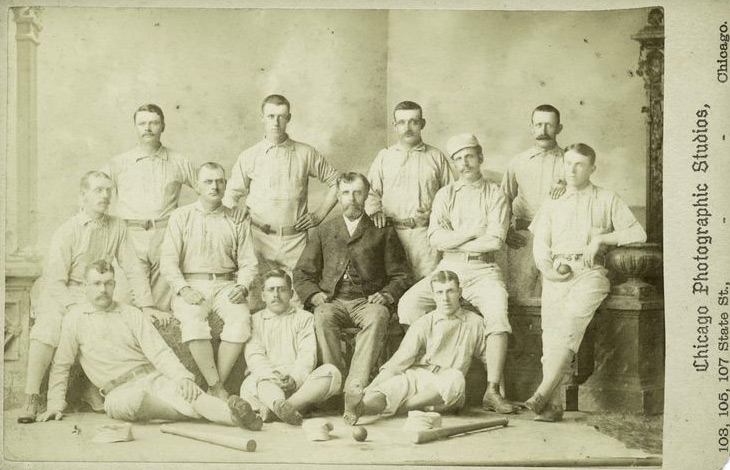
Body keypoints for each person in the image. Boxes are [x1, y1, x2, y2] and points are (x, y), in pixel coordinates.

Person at [36, 260, 263, 432]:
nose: (102, 290)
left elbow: (159, 351)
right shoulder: (75, 318)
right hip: (117, 393)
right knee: (135, 403)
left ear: (114, 284)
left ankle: (238, 418)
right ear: (86, 286)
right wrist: (55, 404)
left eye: (107, 283)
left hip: (152, 378)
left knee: (191, 392)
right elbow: (61, 365)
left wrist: (182, 378)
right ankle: (197, 413)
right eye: (96, 284)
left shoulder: (130, 313)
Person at [18, 171, 159, 424]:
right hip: (62, 291)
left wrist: (147, 305)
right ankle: (31, 396)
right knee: (49, 329)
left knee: (111, 321)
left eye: (108, 190)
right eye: (98, 190)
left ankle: (90, 388)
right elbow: (54, 279)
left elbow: (133, 267)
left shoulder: (118, 226)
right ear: (83, 195)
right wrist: (73, 306)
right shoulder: (67, 230)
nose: (105, 195)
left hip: (95, 291)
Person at [525, 143, 647, 422]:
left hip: (591, 273)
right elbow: (540, 245)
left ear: (592, 168)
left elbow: (637, 232)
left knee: (570, 326)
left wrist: (602, 239)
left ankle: (541, 392)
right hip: (556, 272)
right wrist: (548, 270)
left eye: (579, 164)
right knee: (550, 336)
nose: (572, 169)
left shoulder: (606, 198)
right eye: (567, 163)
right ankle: (553, 405)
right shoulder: (552, 202)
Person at [397, 134, 516, 414]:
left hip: (483, 267)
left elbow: (495, 241)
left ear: (480, 157)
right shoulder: (446, 194)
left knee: (498, 314)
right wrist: (475, 231)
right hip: (448, 267)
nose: (464, 164)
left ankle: (492, 390)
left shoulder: (495, 194)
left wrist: (458, 239)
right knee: (408, 305)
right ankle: (429, 369)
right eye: (458, 159)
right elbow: (436, 239)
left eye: (469, 157)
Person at [293, 172, 410, 423]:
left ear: (367, 195)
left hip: (366, 301)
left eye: (357, 192)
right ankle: (333, 385)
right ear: (337, 196)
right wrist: (313, 295)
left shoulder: (381, 230)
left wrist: (387, 295)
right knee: (322, 317)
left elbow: (401, 274)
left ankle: (354, 389)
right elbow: (302, 273)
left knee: (379, 316)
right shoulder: (325, 231)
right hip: (332, 301)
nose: (352, 199)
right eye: (346, 193)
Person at [223, 95, 340, 306]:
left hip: (295, 241)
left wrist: (320, 214)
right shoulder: (250, 156)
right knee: (256, 301)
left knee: (296, 302)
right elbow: (230, 196)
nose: (276, 122)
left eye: (281, 117)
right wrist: (236, 213)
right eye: (270, 116)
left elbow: (337, 182)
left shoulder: (305, 153)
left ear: (289, 118)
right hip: (258, 239)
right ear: (262, 118)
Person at [160, 162, 258, 401]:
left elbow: (248, 262)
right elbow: (168, 262)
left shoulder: (235, 219)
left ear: (225, 185)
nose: (214, 186)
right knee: (193, 321)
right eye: (208, 181)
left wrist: (242, 286)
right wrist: (183, 289)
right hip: (192, 285)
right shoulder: (181, 217)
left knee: (241, 321)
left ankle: (216, 386)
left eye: (219, 181)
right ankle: (216, 386)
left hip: (226, 285)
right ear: (197, 186)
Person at [344, 271, 492, 424]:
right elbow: (399, 362)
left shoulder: (475, 323)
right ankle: (360, 408)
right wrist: (369, 389)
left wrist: (498, 394)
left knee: (457, 379)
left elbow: (489, 361)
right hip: (418, 375)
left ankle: (403, 408)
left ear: (459, 292)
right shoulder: (423, 323)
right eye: (439, 292)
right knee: (389, 388)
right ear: (433, 295)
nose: (445, 298)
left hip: (445, 383)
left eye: (450, 291)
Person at [106, 104, 199, 319]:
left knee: (159, 308)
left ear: (163, 126)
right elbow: (96, 190)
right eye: (142, 123)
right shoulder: (120, 162)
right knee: (125, 304)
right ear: (136, 127)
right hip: (129, 236)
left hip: (165, 235)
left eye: (153, 123)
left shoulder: (179, 161)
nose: (148, 128)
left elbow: (206, 189)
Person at [366, 100, 454, 280]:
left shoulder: (436, 157)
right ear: (394, 125)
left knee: (427, 289)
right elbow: (371, 192)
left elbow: (451, 197)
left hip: (426, 236)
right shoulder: (385, 157)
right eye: (402, 122)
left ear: (422, 124)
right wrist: (375, 212)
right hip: (391, 235)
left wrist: (435, 217)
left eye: (414, 121)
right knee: (394, 286)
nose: (408, 128)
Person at [240, 270, 342, 426]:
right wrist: (274, 375)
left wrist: (295, 379)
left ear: (291, 293)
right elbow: (255, 356)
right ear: (263, 296)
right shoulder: (254, 320)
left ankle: (276, 411)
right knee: (255, 382)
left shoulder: (305, 318)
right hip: (268, 380)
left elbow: (307, 354)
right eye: (271, 290)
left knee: (331, 372)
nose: (276, 295)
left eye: (282, 289)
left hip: (298, 384)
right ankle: (282, 406)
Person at [501, 104, 567, 300]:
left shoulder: (569, 162)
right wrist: (506, 231)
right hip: (524, 238)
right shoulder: (518, 162)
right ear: (531, 127)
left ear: (559, 128)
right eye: (538, 125)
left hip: (558, 239)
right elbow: (504, 199)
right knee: (520, 294)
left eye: (549, 125)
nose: (543, 131)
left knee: (557, 295)